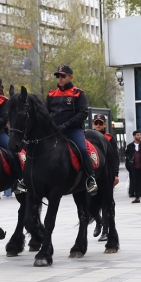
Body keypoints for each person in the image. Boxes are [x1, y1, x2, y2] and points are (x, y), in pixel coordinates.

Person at [45, 65, 97, 195]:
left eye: (63, 76)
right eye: (58, 76)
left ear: (70, 77)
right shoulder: (51, 94)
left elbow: (83, 113)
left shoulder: (78, 93)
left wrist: (66, 125)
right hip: (54, 131)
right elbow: (45, 113)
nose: (60, 78)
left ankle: (91, 178)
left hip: (72, 130)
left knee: (82, 149)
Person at [92, 114, 119, 241]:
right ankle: (98, 221)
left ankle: (105, 230)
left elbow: (115, 157)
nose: (98, 125)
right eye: (96, 123)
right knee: (90, 203)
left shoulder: (109, 138)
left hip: (107, 174)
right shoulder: (88, 138)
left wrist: (115, 174)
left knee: (106, 203)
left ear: (104, 125)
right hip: (93, 174)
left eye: (100, 123)